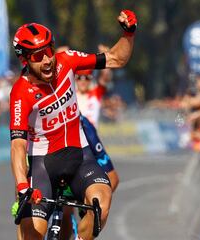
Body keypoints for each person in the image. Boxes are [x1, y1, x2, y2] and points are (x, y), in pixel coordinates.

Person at [10, 9, 137, 240]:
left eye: (48, 51)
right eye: (38, 56)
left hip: (80, 156)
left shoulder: (66, 61)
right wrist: (21, 186)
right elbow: (18, 145)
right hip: (43, 166)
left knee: (101, 201)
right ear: (24, 59)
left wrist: (128, 33)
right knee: (31, 234)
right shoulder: (21, 93)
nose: (47, 60)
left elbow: (116, 59)